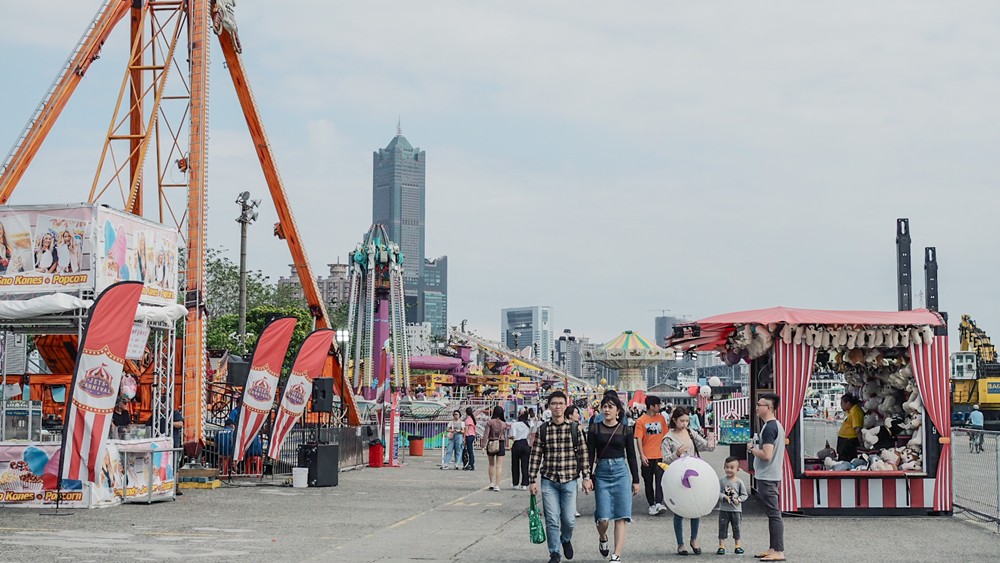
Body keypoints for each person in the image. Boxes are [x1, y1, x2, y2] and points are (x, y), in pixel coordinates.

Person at [528, 391, 592, 563]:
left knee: (569, 519)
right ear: (549, 406)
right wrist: (532, 480)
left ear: (565, 406)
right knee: (551, 519)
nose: (557, 406)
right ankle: (554, 553)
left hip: (569, 480)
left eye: (561, 403)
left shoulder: (574, 428)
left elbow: (583, 454)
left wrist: (586, 477)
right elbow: (536, 455)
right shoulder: (543, 429)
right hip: (549, 481)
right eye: (554, 403)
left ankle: (565, 539)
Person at [588, 394, 640, 563]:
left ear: (618, 410)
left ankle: (616, 554)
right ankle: (603, 537)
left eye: (610, 407)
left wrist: (636, 480)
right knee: (602, 517)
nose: (607, 410)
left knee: (621, 515)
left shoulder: (626, 430)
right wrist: (587, 476)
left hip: (621, 472)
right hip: (602, 472)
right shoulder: (595, 429)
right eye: (604, 406)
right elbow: (590, 455)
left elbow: (631, 456)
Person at [661, 406, 715, 555]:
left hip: (694, 474)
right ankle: (680, 543)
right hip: (677, 476)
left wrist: (712, 440)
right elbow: (665, 459)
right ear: (674, 420)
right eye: (682, 421)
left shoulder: (691, 433)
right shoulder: (668, 438)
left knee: (695, 506)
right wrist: (676, 454)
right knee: (679, 510)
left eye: (686, 421)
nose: (685, 424)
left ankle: (694, 539)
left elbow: (707, 447)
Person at [749, 393, 786, 561]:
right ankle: (773, 548)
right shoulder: (772, 426)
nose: (757, 407)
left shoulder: (770, 427)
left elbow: (766, 455)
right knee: (772, 513)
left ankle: (779, 550)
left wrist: (751, 449)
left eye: (760, 405)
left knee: (774, 514)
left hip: (768, 475)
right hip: (770, 474)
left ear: (769, 408)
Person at [634, 395, 668, 516]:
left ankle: (658, 502)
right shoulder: (641, 420)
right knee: (648, 481)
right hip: (647, 455)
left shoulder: (661, 419)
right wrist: (642, 455)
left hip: (659, 455)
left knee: (660, 480)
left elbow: (666, 436)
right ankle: (651, 504)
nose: (660, 407)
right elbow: (639, 438)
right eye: (658, 405)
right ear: (652, 406)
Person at [717, 456, 749, 555]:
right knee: (722, 528)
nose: (729, 470)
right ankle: (721, 546)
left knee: (736, 528)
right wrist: (724, 497)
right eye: (727, 467)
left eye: (732, 468)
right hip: (724, 510)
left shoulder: (739, 482)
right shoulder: (722, 481)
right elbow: (717, 492)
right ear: (724, 468)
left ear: (737, 469)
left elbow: (744, 495)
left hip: (736, 510)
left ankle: (737, 546)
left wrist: (738, 500)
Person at [484, 406, 508, 490]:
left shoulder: (490, 422)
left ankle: (491, 482)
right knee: (499, 466)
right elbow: (505, 435)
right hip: (500, 443)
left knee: (491, 464)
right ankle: (497, 485)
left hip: (491, 442)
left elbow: (486, 434)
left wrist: (483, 446)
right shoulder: (504, 424)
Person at [837, 394, 864, 462]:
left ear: (848, 403)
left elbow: (857, 429)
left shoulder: (855, 412)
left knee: (845, 461)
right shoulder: (850, 411)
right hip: (844, 441)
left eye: (842, 403)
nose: (841, 405)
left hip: (849, 441)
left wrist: (861, 442)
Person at [510, 410, 532, 489]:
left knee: (515, 465)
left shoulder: (514, 425)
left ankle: (515, 483)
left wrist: (509, 437)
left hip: (517, 444)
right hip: (525, 443)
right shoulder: (528, 424)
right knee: (525, 465)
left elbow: (513, 436)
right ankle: (524, 484)